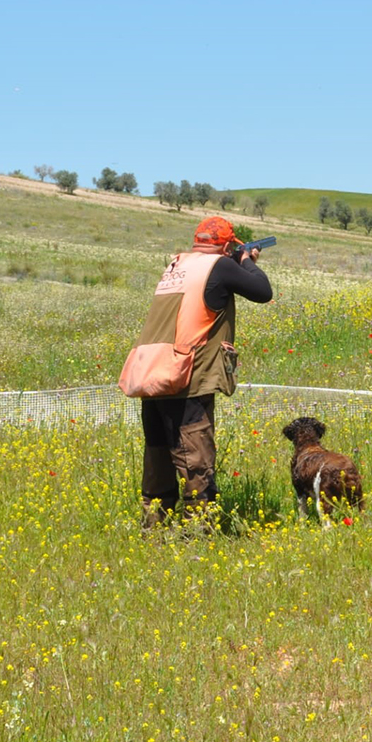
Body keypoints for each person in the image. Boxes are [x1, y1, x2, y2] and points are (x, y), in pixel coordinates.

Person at [119, 216, 272, 529]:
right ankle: (196, 537)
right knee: (195, 462)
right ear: (228, 245)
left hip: (152, 371)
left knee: (158, 459)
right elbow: (262, 291)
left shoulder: (177, 265)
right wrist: (245, 261)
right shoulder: (221, 265)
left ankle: (155, 533)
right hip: (187, 376)